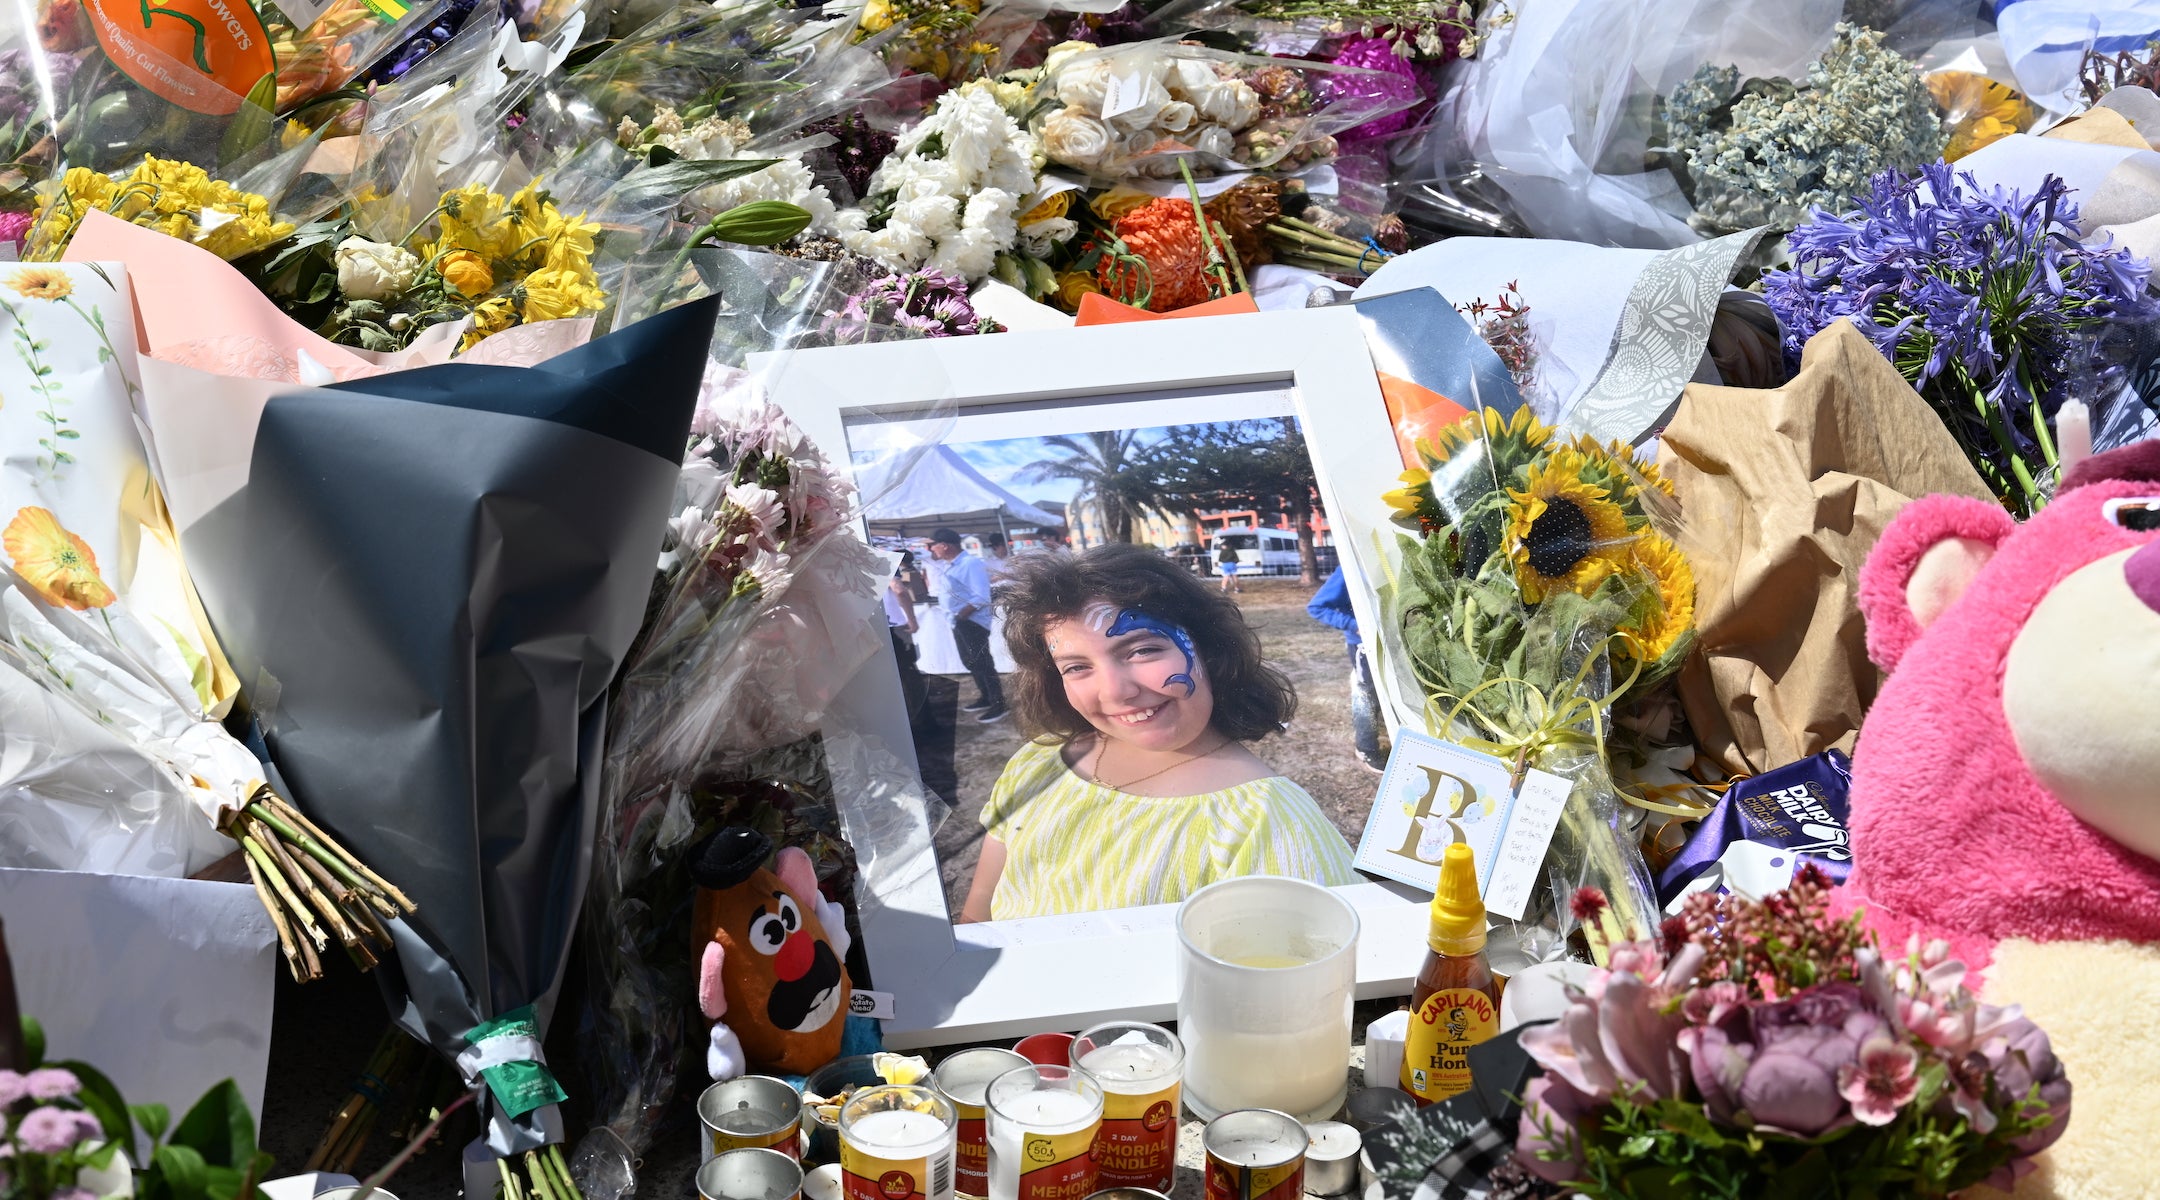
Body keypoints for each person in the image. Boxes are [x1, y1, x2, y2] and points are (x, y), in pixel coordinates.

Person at [958, 544, 1357, 922]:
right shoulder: (1038, 763)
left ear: (1208, 648)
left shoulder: (1266, 820)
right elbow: (979, 911)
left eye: (1141, 650)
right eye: (1077, 667)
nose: (1115, 691)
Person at [1308, 566, 1386, 771]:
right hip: (1363, 647)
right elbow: (1316, 607)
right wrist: (1354, 625)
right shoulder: (1350, 567)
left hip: (1393, 644)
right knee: (1366, 695)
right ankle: (1366, 747)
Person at [927, 527, 1006, 723]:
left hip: (971, 622)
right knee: (970, 661)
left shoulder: (970, 563)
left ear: (944, 545)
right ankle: (985, 697)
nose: (932, 550)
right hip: (959, 621)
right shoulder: (951, 565)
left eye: (933, 545)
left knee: (982, 662)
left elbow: (981, 594)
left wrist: (964, 614)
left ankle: (998, 703)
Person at [886, 558, 931, 731]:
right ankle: (922, 720)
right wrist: (912, 620)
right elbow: (899, 590)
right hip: (895, 628)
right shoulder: (881, 561)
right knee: (910, 677)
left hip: (879, 627)